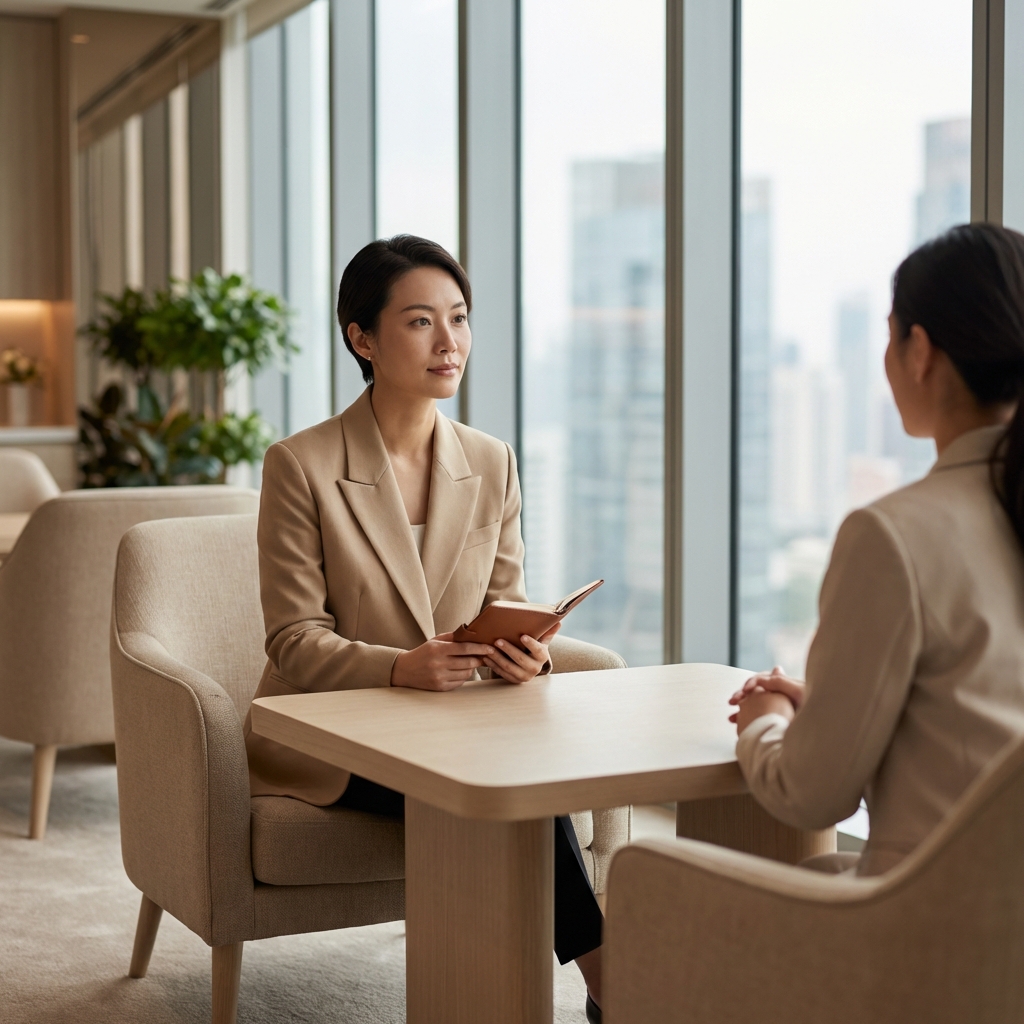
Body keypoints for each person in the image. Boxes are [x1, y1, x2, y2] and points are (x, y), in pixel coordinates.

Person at [242, 234, 606, 1021]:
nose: (450, 343)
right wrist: (399, 667)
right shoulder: (299, 465)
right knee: (515, 794)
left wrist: (526, 656)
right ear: (362, 338)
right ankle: (615, 988)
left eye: (460, 318)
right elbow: (292, 640)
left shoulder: (492, 460)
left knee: (518, 778)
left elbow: (501, 601)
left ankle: (558, 991)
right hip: (332, 731)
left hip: (458, 721)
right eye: (420, 322)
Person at [729, 222, 1024, 876]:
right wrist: (835, 707)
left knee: (656, 891)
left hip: (933, 938)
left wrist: (764, 719)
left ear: (919, 351)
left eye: (891, 336)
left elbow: (809, 795)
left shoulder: (893, 534)